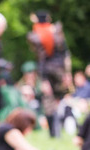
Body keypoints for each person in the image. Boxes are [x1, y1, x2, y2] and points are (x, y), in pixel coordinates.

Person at [27, 10, 72, 138]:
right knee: (59, 100)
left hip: (47, 73)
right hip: (60, 71)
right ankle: (57, 132)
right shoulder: (57, 31)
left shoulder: (36, 35)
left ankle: (54, 133)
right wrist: (67, 74)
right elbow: (66, 54)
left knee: (49, 102)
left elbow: (41, 60)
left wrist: (43, 80)